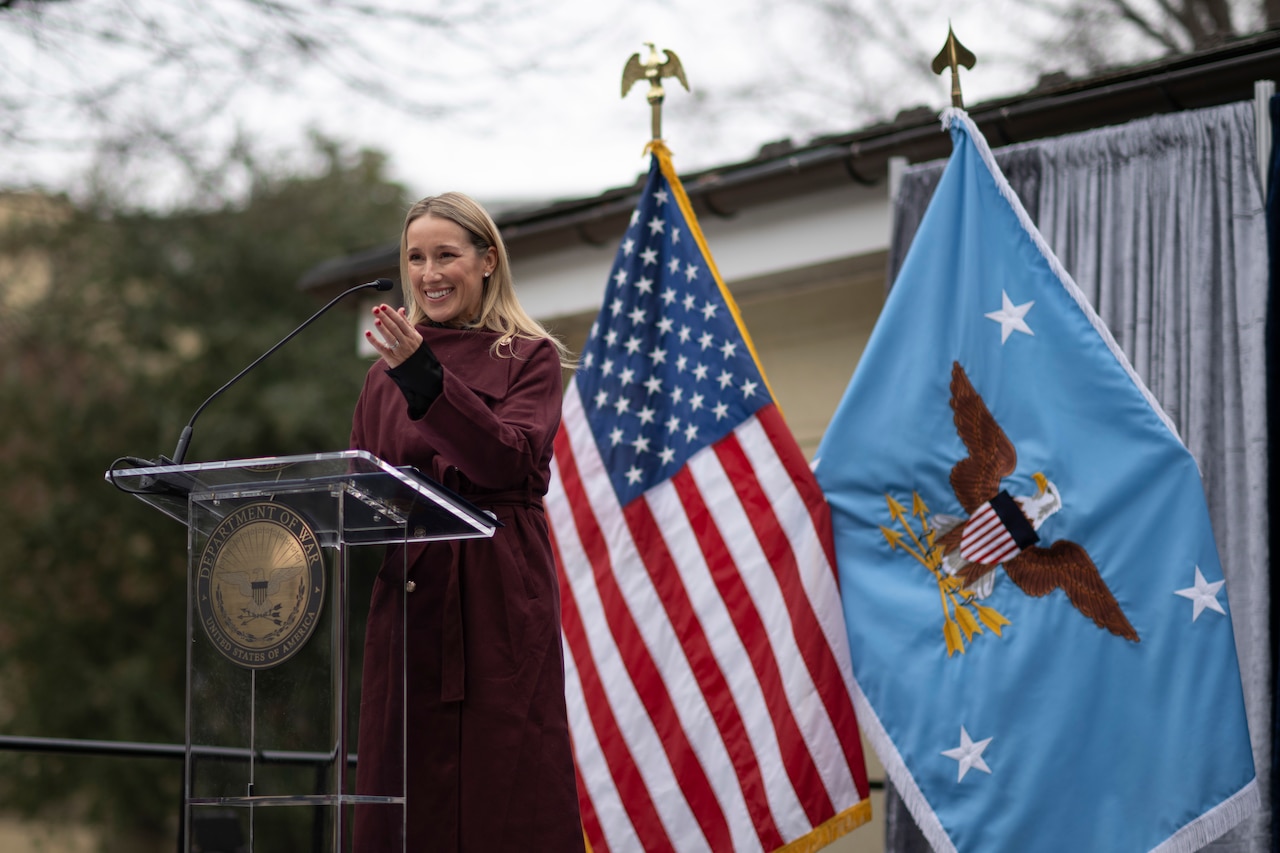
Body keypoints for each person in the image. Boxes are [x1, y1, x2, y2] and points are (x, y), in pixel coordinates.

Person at [349, 192, 584, 851]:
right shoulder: (381, 377)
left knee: (504, 774)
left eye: (446, 255)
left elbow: (503, 460)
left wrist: (424, 376)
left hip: (496, 590)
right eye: (415, 257)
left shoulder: (527, 356)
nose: (429, 272)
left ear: (486, 260)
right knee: (405, 776)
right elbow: (361, 485)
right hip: (411, 596)